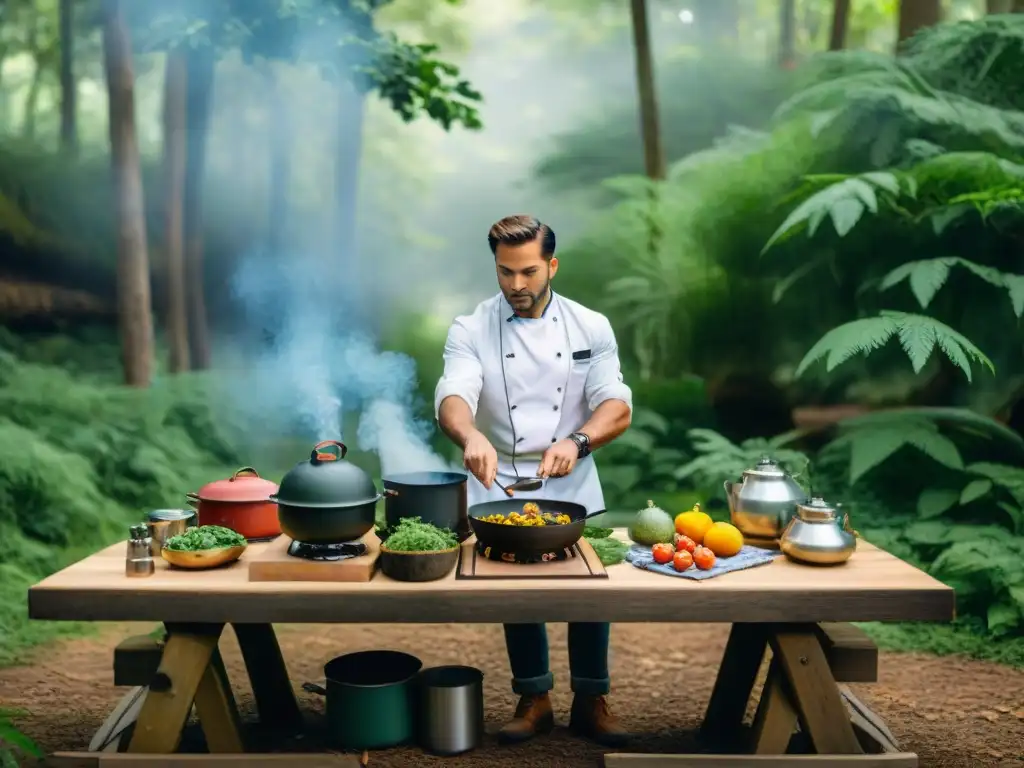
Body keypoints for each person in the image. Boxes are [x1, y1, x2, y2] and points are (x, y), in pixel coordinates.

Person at [434, 214, 633, 746]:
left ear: (552, 265)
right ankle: (534, 697)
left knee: (589, 590)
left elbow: (615, 403)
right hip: (497, 477)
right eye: (504, 273)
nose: (515, 285)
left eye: (527, 272)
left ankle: (592, 699)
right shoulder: (470, 328)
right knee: (516, 589)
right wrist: (469, 437)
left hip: (569, 477)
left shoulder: (591, 325)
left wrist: (577, 442)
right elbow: (454, 393)